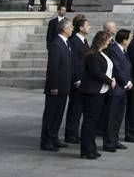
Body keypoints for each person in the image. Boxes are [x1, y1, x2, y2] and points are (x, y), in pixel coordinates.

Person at [79, 30, 115, 159]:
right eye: (108, 39)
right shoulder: (92, 55)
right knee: (89, 122)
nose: (110, 42)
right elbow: (96, 72)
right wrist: (110, 81)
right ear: (102, 40)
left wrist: (112, 78)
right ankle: (86, 150)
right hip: (91, 92)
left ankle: (91, 147)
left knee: (94, 122)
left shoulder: (101, 54)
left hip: (100, 92)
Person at [40, 17, 73, 152]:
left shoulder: (66, 43)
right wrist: (53, 86)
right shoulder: (56, 44)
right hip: (56, 87)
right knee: (51, 114)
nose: (72, 29)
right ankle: (46, 141)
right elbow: (53, 67)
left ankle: (54, 137)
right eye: (70, 27)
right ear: (64, 29)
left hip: (64, 86)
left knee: (59, 114)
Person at [103, 28, 132, 152]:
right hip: (116, 89)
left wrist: (129, 80)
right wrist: (126, 81)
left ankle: (114, 140)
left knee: (118, 117)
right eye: (129, 38)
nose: (130, 40)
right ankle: (108, 142)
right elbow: (117, 68)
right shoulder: (114, 50)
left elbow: (128, 67)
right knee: (111, 117)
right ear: (124, 40)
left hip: (122, 89)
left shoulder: (123, 51)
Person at [64, 14, 90, 144]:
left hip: (84, 80)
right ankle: (70, 134)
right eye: (87, 25)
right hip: (77, 81)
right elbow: (74, 62)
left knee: (78, 109)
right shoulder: (74, 41)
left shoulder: (84, 40)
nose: (89, 27)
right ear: (80, 28)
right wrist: (76, 79)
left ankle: (74, 132)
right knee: (74, 109)